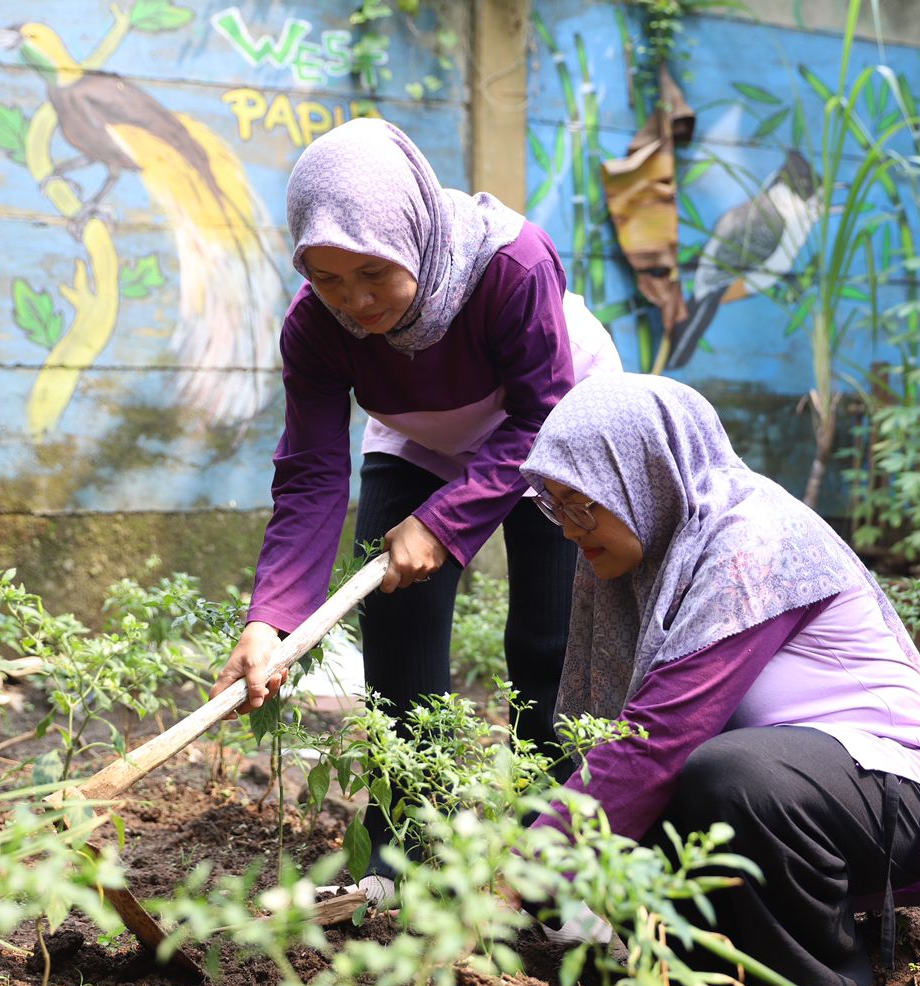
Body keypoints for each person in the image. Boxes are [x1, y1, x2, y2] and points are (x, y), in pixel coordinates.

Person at [214, 118, 619, 898]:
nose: (354, 303)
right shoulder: (316, 329)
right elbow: (309, 474)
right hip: (422, 431)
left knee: (548, 637)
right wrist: (270, 621)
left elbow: (539, 416)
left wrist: (447, 520)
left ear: (416, 236)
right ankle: (401, 847)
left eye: (373, 274)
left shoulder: (511, 264)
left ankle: (551, 846)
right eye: (327, 280)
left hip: (558, 417)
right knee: (397, 631)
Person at [519, 374, 920, 986]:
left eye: (583, 502)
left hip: (888, 786)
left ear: (645, 473)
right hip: (792, 788)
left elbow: (659, 738)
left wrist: (528, 870)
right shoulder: (660, 551)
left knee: (721, 775)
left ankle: (814, 983)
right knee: (598, 795)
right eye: (555, 506)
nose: (568, 529)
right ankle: (705, 974)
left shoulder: (754, 543)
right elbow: (616, 747)